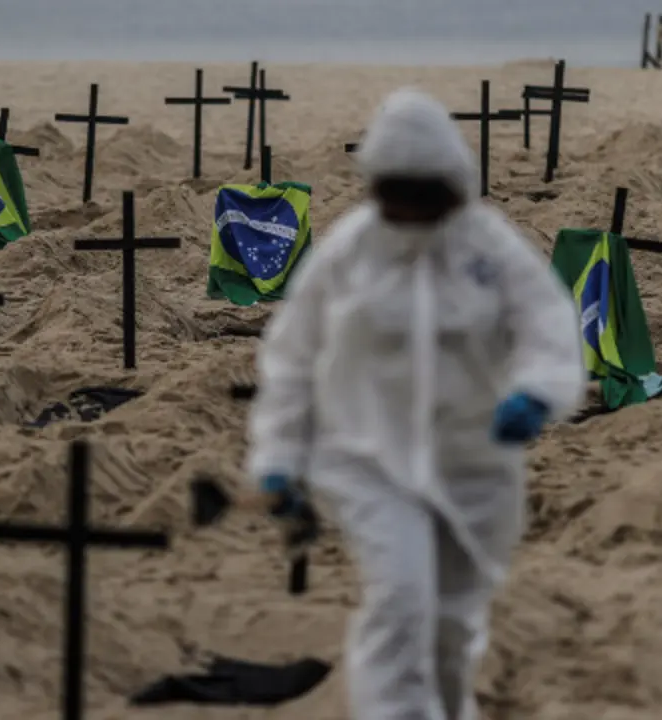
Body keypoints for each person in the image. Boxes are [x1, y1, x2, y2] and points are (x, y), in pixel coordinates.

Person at [245, 88, 586, 720]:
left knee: (453, 621)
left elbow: (547, 322)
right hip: (367, 457)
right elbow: (293, 356)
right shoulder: (350, 252)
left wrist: (538, 391)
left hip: (473, 461)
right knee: (401, 598)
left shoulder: (488, 248)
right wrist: (279, 458)